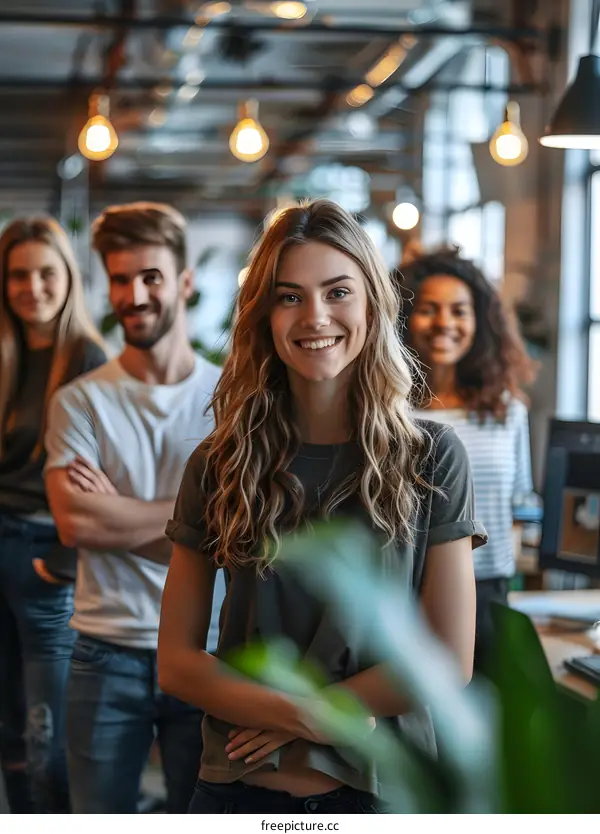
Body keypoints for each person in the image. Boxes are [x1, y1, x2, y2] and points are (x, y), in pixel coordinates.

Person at [158, 199, 487, 815]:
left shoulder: (432, 457)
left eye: (337, 292)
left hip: (384, 795)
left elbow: (448, 660)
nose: (315, 316)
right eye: (290, 297)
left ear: (371, 304)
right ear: (264, 317)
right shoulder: (220, 462)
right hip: (235, 794)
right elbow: (176, 663)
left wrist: (307, 712)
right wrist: (310, 716)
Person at [44, 202, 224, 814]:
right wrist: (194, 526)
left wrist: (117, 512)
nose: (135, 295)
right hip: (106, 647)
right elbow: (76, 522)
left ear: (185, 282)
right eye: (121, 279)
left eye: (151, 277)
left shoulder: (229, 399)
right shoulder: (79, 402)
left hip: (207, 646)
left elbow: (237, 530)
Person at [0, 217, 106, 813]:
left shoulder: (88, 358)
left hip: (46, 553)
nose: (32, 287)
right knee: (7, 728)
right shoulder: (4, 352)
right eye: (18, 275)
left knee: (47, 732)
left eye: (46, 272)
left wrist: (63, 561)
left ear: (68, 277)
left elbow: (100, 478)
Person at [396, 245, 537, 672]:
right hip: (410, 593)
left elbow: (521, 501)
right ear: (405, 318)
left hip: (490, 593)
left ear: (479, 323)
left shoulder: (506, 410)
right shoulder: (388, 410)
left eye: (459, 311)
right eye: (429, 309)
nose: (445, 323)